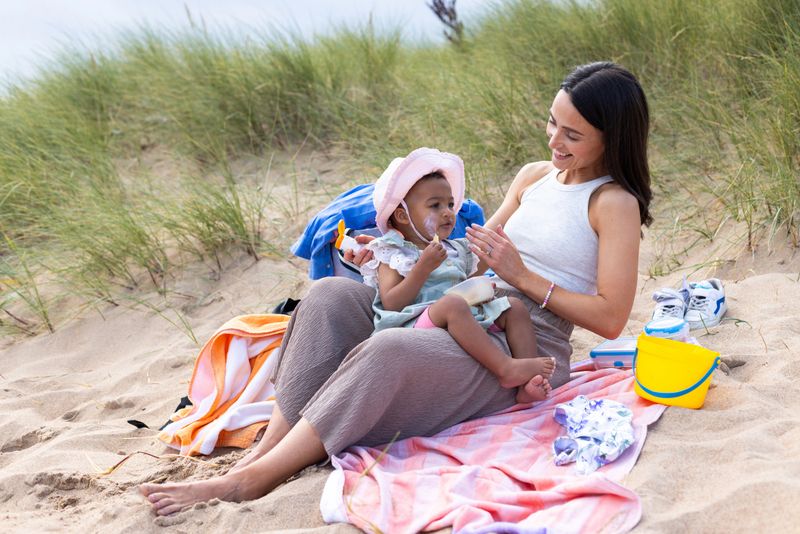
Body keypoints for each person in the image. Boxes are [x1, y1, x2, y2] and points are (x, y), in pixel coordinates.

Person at [140, 61, 652, 516]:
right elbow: (467, 251)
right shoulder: (533, 177)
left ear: (612, 138)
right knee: (328, 298)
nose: (553, 141)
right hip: (455, 305)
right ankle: (268, 448)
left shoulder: (612, 203)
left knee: (386, 350)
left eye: (572, 135)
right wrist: (386, 250)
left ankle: (256, 479)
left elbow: (609, 318)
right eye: (551, 123)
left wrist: (521, 277)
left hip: (520, 342)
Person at [361, 147, 555, 403]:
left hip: (461, 314)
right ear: (402, 215)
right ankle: (505, 369)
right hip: (414, 324)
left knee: (514, 307)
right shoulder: (394, 252)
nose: (448, 212)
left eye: (450, 204)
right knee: (453, 304)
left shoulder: (455, 248)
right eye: (435, 205)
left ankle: (526, 380)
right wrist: (423, 268)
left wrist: (490, 255)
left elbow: (470, 274)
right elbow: (392, 302)